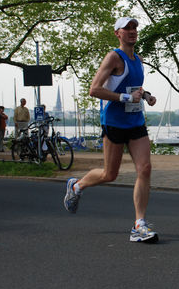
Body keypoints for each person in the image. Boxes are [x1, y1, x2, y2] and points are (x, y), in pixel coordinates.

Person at [63, 16, 159, 243]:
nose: (132, 31)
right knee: (110, 174)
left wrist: (145, 95)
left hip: (135, 121)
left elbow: (133, 87)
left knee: (144, 169)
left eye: (135, 28)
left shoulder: (138, 58)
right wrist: (126, 96)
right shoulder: (113, 57)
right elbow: (94, 89)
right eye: (127, 28)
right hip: (114, 122)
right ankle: (77, 185)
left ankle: (139, 225)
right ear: (117, 33)